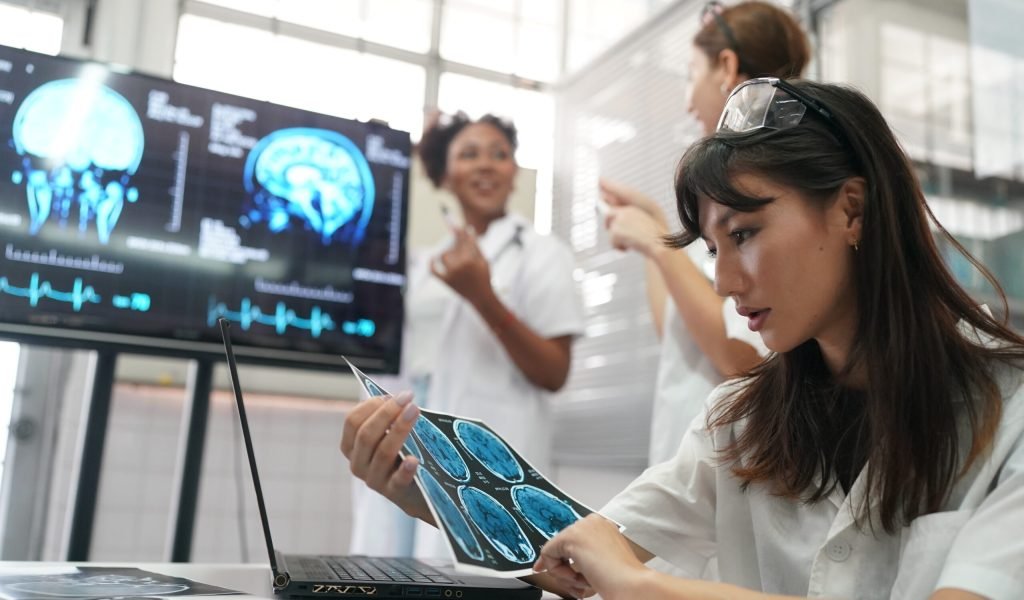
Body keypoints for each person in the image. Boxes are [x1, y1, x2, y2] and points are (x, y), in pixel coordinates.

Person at [341, 79, 1024, 599]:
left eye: (746, 234)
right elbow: (587, 544)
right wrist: (424, 489)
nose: (724, 281)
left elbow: (618, 568)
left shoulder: (1011, 414)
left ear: (851, 210)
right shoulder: (742, 421)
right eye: (711, 246)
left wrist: (641, 588)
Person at [348, 111, 585, 560]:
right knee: (392, 571)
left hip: (488, 457)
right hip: (410, 443)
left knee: (471, 576)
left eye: (500, 154)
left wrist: (483, 296)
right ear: (444, 175)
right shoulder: (423, 264)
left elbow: (555, 372)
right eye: (468, 154)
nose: (486, 164)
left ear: (514, 171)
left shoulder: (541, 254)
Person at [602, 0, 811, 468]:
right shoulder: (723, 188)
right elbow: (679, 333)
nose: (687, 99)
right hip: (689, 469)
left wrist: (658, 243)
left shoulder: (764, 176)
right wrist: (658, 233)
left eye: (689, 73)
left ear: (726, 66)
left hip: (737, 464)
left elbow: (742, 354)